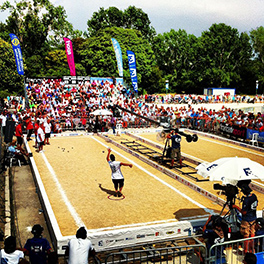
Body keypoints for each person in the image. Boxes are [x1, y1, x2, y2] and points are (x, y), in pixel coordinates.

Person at [233, 183, 258, 254]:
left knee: (246, 235)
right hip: (253, 218)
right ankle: (251, 250)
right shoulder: (254, 196)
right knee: (252, 234)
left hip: (247, 219)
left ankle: (245, 251)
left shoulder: (246, 200)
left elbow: (244, 212)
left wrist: (236, 207)